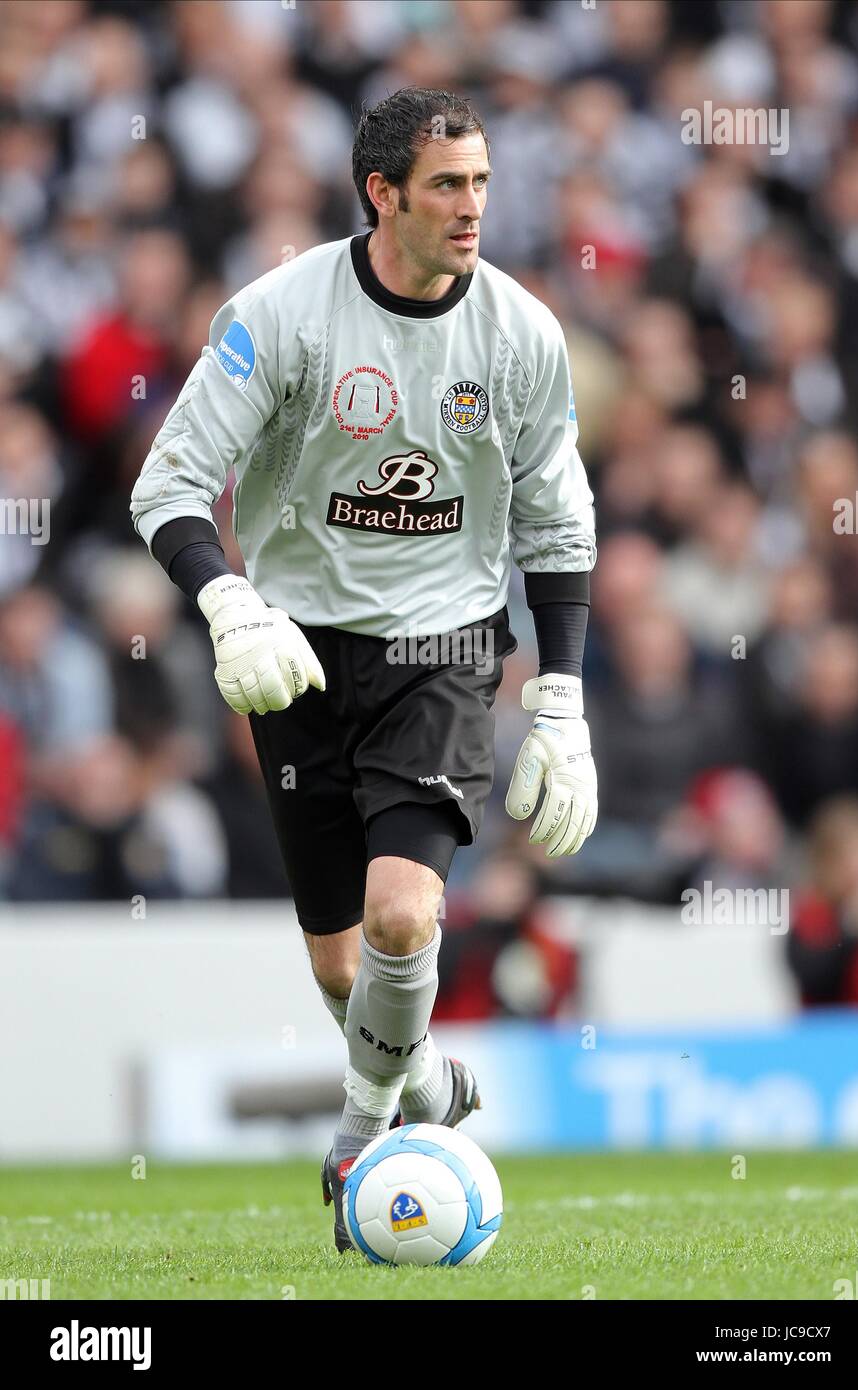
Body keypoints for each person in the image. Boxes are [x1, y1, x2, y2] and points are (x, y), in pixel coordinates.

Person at [130, 87, 598, 1251]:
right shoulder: (280, 315)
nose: (471, 206)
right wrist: (227, 600)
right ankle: (424, 1087)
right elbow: (167, 486)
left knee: (403, 919)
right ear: (380, 192)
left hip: (442, 648)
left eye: (482, 181)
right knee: (349, 974)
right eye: (446, 184)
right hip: (293, 655)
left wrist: (560, 697)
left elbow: (559, 526)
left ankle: (357, 1134)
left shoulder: (520, 333)